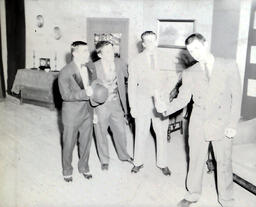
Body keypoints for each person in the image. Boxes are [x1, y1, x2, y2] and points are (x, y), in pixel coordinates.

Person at [154, 33, 242, 207]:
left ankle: (227, 199)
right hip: (198, 121)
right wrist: (166, 108)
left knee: (224, 162)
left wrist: (232, 124)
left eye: (197, 48)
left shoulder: (229, 65)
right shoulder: (189, 72)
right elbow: (183, 99)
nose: (194, 53)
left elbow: (236, 96)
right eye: (190, 50)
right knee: (195, 159)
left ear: (205, 44)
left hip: (222, 120)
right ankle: (193, 194)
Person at [128, 31, 171, 176]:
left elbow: (172, 78)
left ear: (156, 41)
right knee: (140, 132)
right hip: (142, 101)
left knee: (161, 133)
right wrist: (132, 106)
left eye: (153, 40)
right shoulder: (136, 61)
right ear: (143, 44)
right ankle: (138, 162)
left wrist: (163, 93)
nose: (150, 43)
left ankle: (163, 163)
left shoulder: (165, 58)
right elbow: (132, 85)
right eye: (147, 41)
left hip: (161, 101)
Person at [58, 41, 96, 182]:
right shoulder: (65, 71)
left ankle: (84, 167)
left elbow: (94, 90)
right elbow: (65, 95)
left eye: (87, 50)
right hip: (72, 113)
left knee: (86, 142)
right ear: (75, 53)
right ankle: (67, 170)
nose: (88, 53)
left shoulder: (90, 68)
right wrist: (84, 93)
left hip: (88, 111)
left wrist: (95, 111)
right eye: (84, 51)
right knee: (69, 143)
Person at [93, 41, 133, 170]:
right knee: (101, 133)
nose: (112, 53)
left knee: (121, 131)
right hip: (100, 106)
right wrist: (92, 111)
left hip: (116, 103)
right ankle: (104, 160)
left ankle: (124, 155)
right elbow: (90, 89)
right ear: (100, 55)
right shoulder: (93, 67)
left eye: (112, 49)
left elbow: (130, 77)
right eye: (108, 51)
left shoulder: (119, 63)